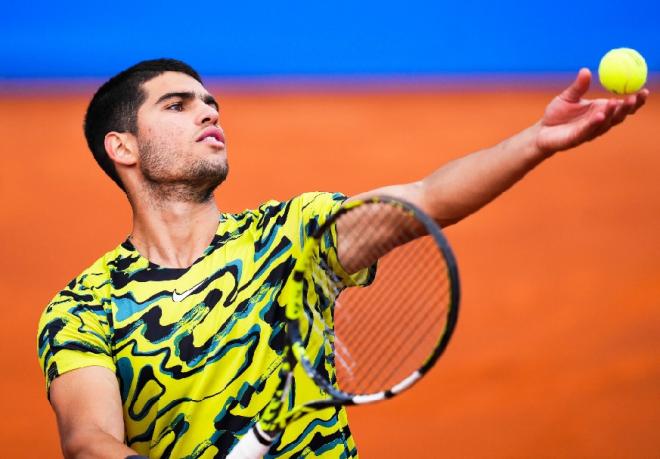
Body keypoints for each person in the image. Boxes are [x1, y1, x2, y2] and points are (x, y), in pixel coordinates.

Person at [36, 58, 648, 458]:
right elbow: (89, 442)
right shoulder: (82, 308)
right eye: (177, 105)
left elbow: (428, 199)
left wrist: (536, 141)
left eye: (210, 101)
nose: (209, 111)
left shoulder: (290, 236)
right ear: (123, 147)